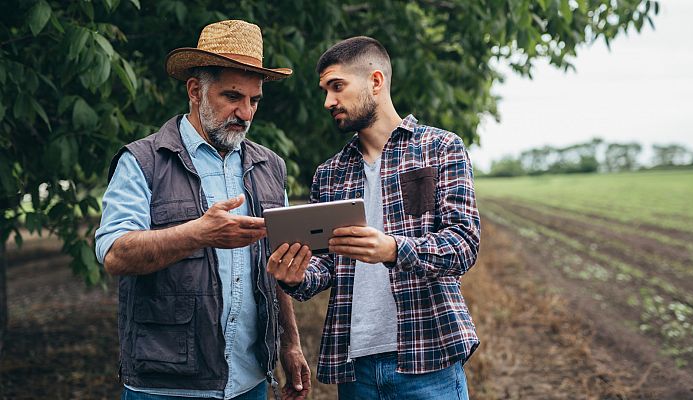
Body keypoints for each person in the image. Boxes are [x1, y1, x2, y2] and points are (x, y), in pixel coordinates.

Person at [95, 20, 310, 400]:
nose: (245, 112)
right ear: (195, 90)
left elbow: (276, 266)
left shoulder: (270, 165)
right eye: (232, 97)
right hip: (165, 385)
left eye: (254, 100)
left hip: (250, 380)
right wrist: (199, 233)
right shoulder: (144, 160)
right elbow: (115, 254)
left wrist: (289, 344)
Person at [266, 36, 480, 399]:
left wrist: (394, 249)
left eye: (337, 87)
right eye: (325, 90)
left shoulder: (441, 148)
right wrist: (296, 277)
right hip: (355, 368)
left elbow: (464, 244)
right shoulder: (329, 174)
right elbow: (327, 267)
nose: (328, 101)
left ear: (375, 82)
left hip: (429, 357)